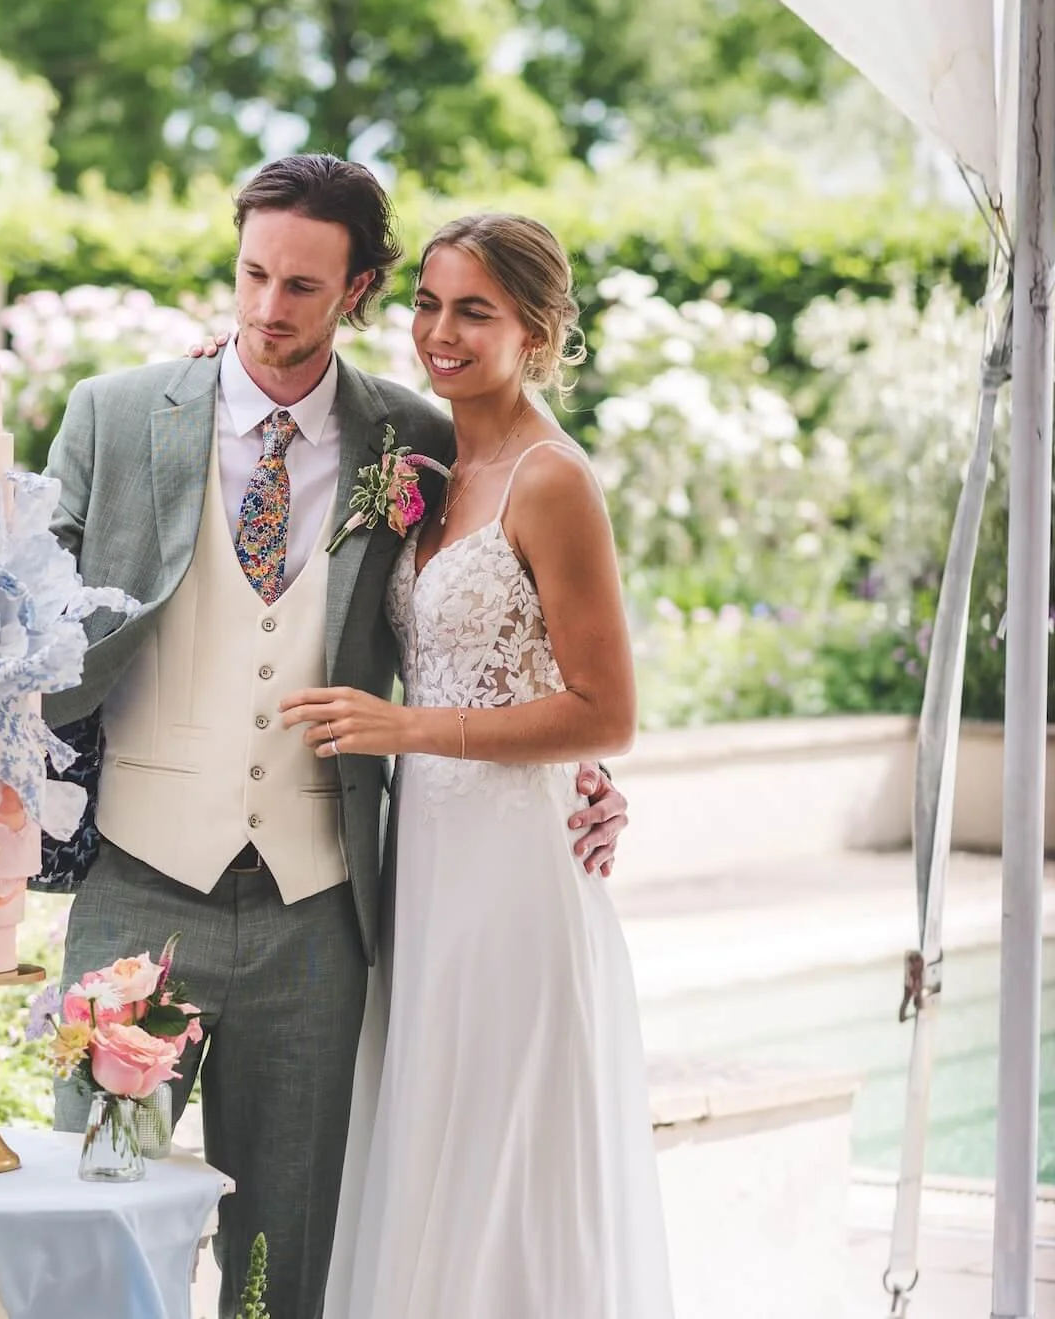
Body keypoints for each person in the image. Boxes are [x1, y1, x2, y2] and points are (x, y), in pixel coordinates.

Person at [37, 154, 633, 1319]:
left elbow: (503, 623)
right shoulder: (113, 416)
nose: (268, 310)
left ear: (357, 291)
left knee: (287, 1257)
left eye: (303, 287)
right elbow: (19, 612)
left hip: (323, 908)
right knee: (93, 1227)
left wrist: (583, 765)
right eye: (252, 275)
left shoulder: (414, 438)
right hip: (138, 888)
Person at [272, 212, 676, 1318]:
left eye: (473, 311)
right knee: (428, 1129)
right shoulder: (432, 459)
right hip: (426, 860)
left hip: (509, 867)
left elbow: (605, 712)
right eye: (426, 302)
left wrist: (405, 730)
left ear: (536, 330)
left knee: (503, 1145)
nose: (438, 332)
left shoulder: (551, 478)